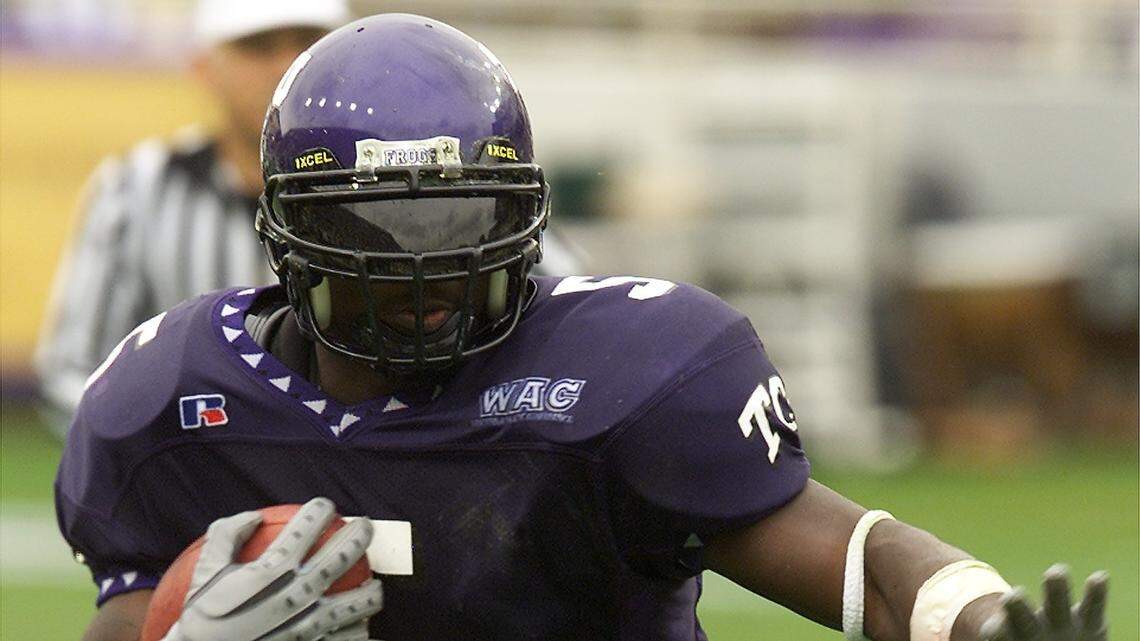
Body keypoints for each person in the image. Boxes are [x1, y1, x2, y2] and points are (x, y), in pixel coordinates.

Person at [56, 14, 1109, 641]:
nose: (425, 269)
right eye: (377, 226)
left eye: (460, 220)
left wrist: (968, 615)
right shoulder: (173, 402)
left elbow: (860, 562)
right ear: (285, 230)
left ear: (523, 218)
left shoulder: (623, 375)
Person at [32, 0, 587, 436]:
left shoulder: (440, 179)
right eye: (258, 47)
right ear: (205, 67)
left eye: (306, 42)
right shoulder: (141, 186)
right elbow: (78, 370)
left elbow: (562, 314)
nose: (284, 66)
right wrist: (193, 450)